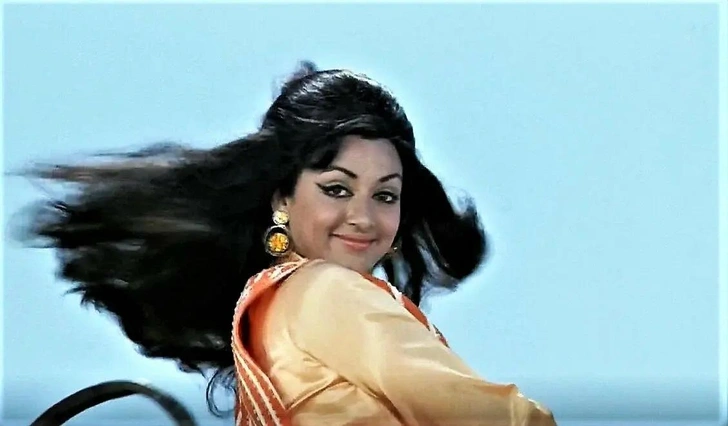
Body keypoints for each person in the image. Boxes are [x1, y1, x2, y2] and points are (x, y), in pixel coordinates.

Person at [17, 61, 557, 425]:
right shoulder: (329, 293)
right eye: (337, 189)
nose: (363, 217)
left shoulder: (268, 310)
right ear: (282, 197)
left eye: (385, 196)